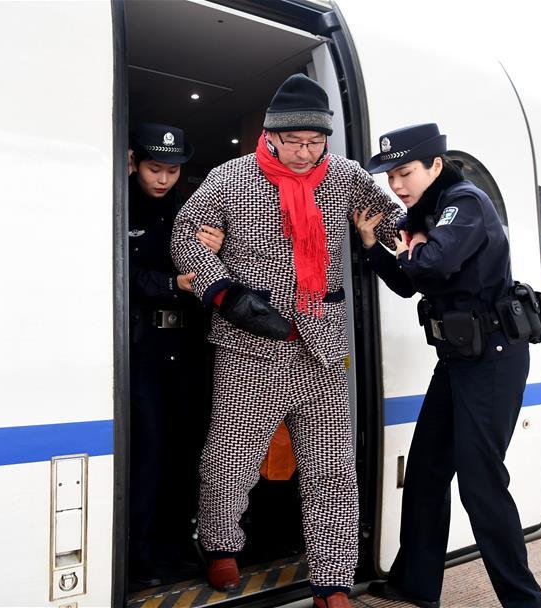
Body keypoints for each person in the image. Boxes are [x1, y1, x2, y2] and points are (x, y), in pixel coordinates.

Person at [170, 74, 405, 608]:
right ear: (271, 136)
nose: (305, 152)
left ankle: (332, 581)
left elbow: (391, 219)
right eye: (295, 141)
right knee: (230, 456)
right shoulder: (230, 178)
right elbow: (187, 237)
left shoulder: (344, 176)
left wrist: (407, 235)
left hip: (321, 348)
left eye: (315, 142)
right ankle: (221, 546)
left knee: (332, 466)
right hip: (248, 345)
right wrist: (224, 292)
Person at [356, 123, 541, 608]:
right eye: (390, 177)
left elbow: (433, 266)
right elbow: (405, 282)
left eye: (404, 173)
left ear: (434, 166)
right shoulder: (428, 215)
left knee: (480, 482)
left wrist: (410, 249)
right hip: (458, 359)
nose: (396, 186)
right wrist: (375, 245)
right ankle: (416, 585)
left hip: (495, 358)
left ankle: (524, 602)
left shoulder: (465, 202)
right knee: (425, 471)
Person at [127, 122, 225, 586]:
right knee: (148, 453)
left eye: (172, 170)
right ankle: (138, 554)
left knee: (187, 451)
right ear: (133, 163)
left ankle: (175, 546)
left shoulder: (193, 213)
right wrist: (171, 284)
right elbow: (120, 273)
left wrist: (218, 252)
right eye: (154, 168)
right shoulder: (118, 206)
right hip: (144, 349)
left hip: (187, 349)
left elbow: (222, 276)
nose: (163, 179)